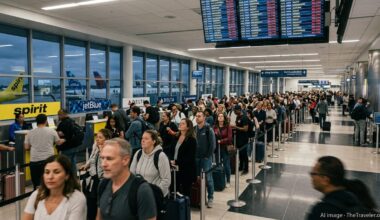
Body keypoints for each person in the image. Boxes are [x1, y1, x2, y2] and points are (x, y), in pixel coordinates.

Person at [97, 138, 157, 220]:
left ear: (125, 160)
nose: (103, 164)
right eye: (102, 158)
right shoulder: (103, 184)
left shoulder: (141, 190)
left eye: (109, 159)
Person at [307, 156, 377, 219]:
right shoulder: (355, 195)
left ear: (325, 180)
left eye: (314, 174)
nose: (311, 176)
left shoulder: (322, 210)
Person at [23, 154, 86, 220]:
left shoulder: (77, 199)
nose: (50, 177)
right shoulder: (36, 195)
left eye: (56, 172)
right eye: (47, 172)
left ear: (67, 175)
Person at [24, 114, 64, 189]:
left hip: (34, 161)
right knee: (49, 183)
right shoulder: (52, 131)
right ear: (46, 121)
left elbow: (26, 147)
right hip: (48, 160)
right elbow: (58, 142)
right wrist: (63, 140)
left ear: (36, 122)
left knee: (37, 184)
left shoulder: (30, 133)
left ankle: (38, 198)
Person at [80, 129, 112, 220]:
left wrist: (102, 151)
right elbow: (92, 158)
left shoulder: (109, 150)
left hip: (103, 181)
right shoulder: (95, 146)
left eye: (100, 137)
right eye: (97, 137)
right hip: (93, 179)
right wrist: (87, 165)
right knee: (90, 204)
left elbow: (106, 166)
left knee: (100, 205)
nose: (97, 139)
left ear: (107, 139)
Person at [130, 130, 171, 197]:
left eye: (146, 139)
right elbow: (131, 175)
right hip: (139, 195)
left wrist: (154, 194)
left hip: (154, 196)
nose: (142, 140)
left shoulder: (161, 156)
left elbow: (166, 180)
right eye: (142, 138)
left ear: (153, 141)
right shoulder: (138, 153)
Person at [169, 118, 197, 197]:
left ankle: (186, 208)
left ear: (188, 127)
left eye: (183, 123)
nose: (180, 124)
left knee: (186, 192)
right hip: (175, 168)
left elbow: (190, 157)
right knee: (174, 190)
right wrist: (171, 159)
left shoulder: (192, 140)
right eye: (180, 123)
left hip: (186, 170)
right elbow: (171, 150)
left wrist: (176, 162)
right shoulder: (176, 136)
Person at [195, 111, 216, 208]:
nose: (197, 118)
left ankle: (210, 197)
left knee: (208, 178)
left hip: (206, 158)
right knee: (198, 178)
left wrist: (208, 156)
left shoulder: (208, 129)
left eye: (199, 116)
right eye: (196, 116)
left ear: (204, 118)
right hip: (196, 158)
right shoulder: (194, 129)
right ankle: (200, 198)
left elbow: (213, 145)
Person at [56, 109, 81, 174]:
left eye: (59, 115)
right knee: (73, 164)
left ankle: (68, 180)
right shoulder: (72, 121)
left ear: (61, 115)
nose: (58, 117)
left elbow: (59, 134)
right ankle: (74, 179)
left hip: (67, 147)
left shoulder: (63, 124)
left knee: (66, 165)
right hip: (75, 146)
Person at [213, 113, 232, 187]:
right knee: (218, 164)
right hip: (217, 148)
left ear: (224, 118)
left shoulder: (228, 127)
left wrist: (221, 141)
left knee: (227, 165)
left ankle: (228, 180)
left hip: (225, 148)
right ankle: (220, 179)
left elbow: (229, 138)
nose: (220, 117)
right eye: (219, 116)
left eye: (221, 116)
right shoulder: (214, 127)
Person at [231, 105, 249, 175]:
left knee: (244, 154)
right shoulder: (238, 117)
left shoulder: (244, 117)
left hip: (244, 138)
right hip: (238, 138)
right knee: (240, 153)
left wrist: (235, 127)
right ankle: (241, 166)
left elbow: (245, 129)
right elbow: (238, 126)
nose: (234, 112)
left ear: (239, 110)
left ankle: (246, 168)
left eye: (235, 110)